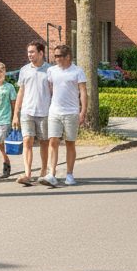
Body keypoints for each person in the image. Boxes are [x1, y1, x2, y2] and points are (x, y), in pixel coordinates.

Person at [42, 44, 88, 187]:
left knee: (70, 143)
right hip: (54, 111)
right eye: (54, 56)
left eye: (58, 56)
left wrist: (83, 111)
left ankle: (69, 174)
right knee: (53, 141)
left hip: (71, 112)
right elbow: (49, 89)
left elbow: (83, 92)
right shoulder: (51, 71)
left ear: (67, 57)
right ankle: (52, 173)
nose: (55, 59)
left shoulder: (77, 71)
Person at [12, 41, 52, 186]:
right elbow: (20, 92)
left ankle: (43, 171)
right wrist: (16, 113)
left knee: (44, 142)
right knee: (27, 140)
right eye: (28, 52)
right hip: (27, 112)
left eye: (32, 52)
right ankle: (27, 173)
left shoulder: (50, 70)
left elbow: (54, 92)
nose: (29, 55)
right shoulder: (24, 70)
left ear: (41, 53)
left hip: (45, 112)